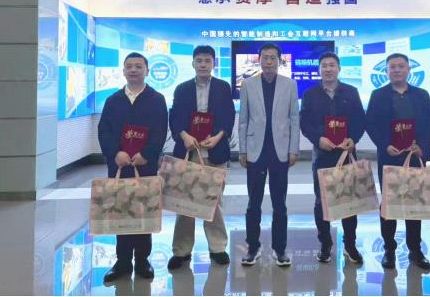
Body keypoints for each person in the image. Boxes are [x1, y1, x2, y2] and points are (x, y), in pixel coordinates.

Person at [365, 53, 430, 272]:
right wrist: (384, 145)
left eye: (401, 66)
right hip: (390, 156)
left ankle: (415, 250)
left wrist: (422, 147)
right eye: (392, 67)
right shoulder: (378, 95)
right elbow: (371, 124)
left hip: (414, 156)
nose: (396, 70)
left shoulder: (421, 95)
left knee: (414, 203)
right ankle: (389, 249)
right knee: (389, 204)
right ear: (387, 71)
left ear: (408, 70)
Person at [98, 52, 168, 282]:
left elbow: (160, 131)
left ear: (147, 71)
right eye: (129, 66)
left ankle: (143, 260)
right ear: (124, 71)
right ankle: (122, 261)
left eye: (139, 66)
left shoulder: (156, 99)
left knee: (143, 210)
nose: (134, 70)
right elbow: (104, 130)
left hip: (144, 165)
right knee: (121, 211)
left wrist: (146, 154)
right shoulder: (113, 100)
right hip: (119, 165)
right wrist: (114, 153)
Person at [167, 45, 235, 270]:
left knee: (214, 202)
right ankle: (181, 250)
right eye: (199, 61)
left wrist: (218, 137)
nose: (203, 64)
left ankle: (218, 247)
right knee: (184, 202)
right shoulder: (182, 89)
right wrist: (184, 136)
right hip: (188, 152)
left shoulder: (223, 87)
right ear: (193, 63)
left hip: (215, 151)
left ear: (214, 63)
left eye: (207, 60)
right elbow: (175, 118)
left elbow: (228, 117)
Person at [300, 52, 366, 264]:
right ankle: (325, 244)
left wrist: (353, 138)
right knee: (322, 202)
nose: (328, 69)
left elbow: (360, 120)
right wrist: (318, 139)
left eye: (332, 65)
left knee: (349, 201)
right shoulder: (310, 94)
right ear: (319, 69)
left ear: (339, 69)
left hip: (346, 153)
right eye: (324, 66)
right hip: (322, 155)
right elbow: (305, 123)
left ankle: (350, 245)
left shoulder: (351, 92)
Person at [238, 43, 300, 267]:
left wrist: (294, 149)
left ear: (280, 61)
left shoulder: (290, 85)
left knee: (279, 203)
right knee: (253, 203)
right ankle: (252, 248)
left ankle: (279, 249)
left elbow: (294, 118)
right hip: (255, 150)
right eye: (265, 57)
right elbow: (243, 119)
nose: (269, 61)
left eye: (273, 58)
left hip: (280, 151)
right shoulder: (248, 84)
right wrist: (242, 149)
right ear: (259, 59)